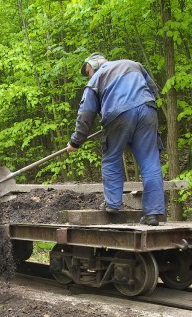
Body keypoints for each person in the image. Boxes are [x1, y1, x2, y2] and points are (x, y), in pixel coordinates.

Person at [65, 53, 165, 226]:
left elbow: (86, 114)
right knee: (150, 160)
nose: (89, 75)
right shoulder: (133, 64)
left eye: (88, 71)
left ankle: (112, 204)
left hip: (118, 113)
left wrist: (75, 142)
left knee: (111, 157)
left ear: (93, 65)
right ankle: (153, 213)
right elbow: (154, 91)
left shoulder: (96, 79)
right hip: (148, 109)